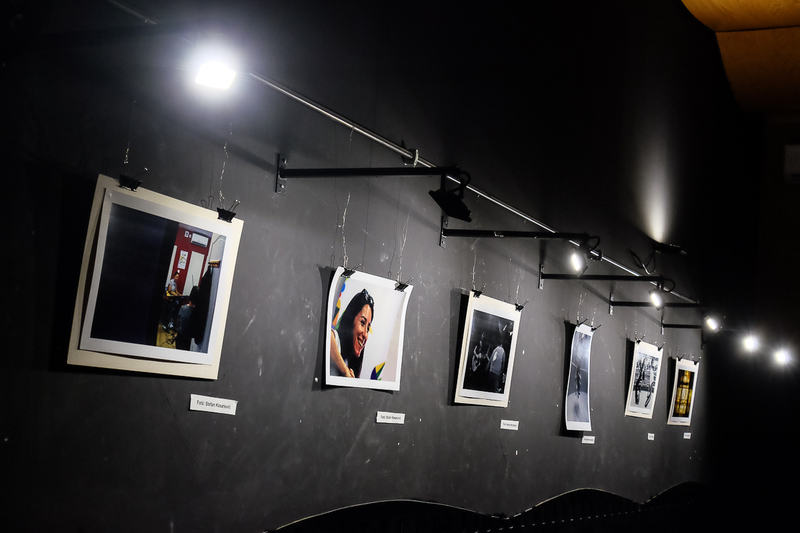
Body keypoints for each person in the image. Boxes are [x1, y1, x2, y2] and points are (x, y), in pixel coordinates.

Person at [330, 289, 374, 379]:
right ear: (351, 320)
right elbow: (328, 337)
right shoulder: (335, 341)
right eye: (362, 323)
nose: (365, 335)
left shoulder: (349, 363)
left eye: (368, 328)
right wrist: (345, 371)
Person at [175, 286, 198, 351]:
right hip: (189, 341)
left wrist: (176, 332)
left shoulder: (183, 308)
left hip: (181, 337)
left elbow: (177, 322)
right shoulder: (197, 312)